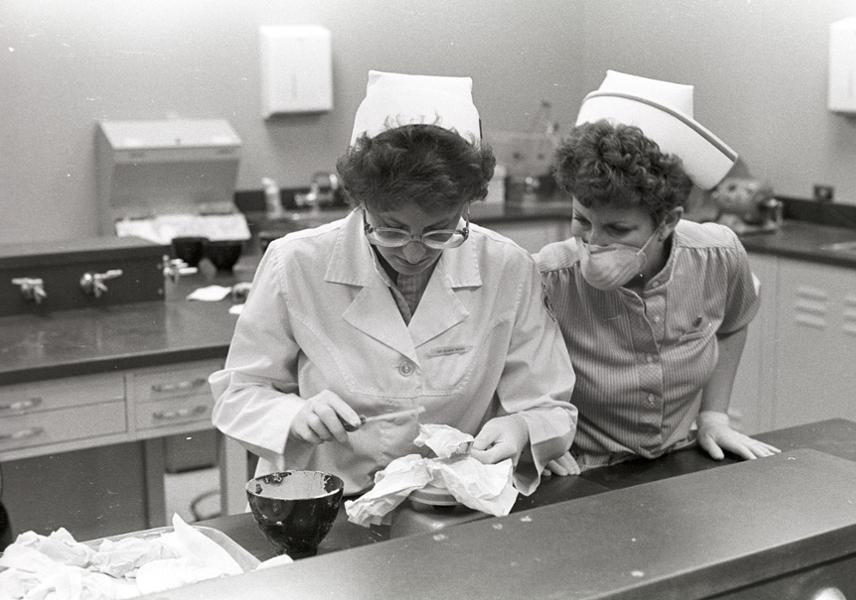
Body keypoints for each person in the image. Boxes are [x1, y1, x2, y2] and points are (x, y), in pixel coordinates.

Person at [210, 70, 577, 496]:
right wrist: (292, 415)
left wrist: (522, 429)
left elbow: (548, 404)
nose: (415, 251)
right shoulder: (295, 262)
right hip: (328, 502)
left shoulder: (507, 267)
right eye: (392, 230)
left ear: (467, 206)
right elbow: (239, 394)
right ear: (362, 201)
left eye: (440, 232)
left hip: (452, 502)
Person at [535, 70, 780, 475]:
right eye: (582, 220)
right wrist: (539, 433)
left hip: (677, 461)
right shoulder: (549, 277)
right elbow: (511, 369)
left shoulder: (717, 256)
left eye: (618, 229)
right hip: (580, 470)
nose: (594, 242)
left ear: (667, 222)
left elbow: (735, 323)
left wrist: (714, 417)